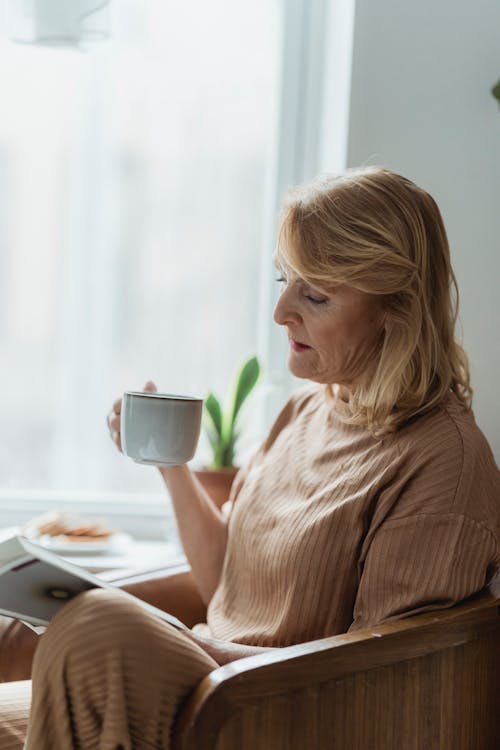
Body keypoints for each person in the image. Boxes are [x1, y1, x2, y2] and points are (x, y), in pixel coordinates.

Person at [0, 166, 498, 748]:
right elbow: (223, 585)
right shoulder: (305, 411)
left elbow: (383, 682)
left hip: (267, 714)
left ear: (398, 308)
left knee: (95, 624)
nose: (281, 310)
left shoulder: (442, 462)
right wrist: (172, 465)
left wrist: (197, 647)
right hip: (213, 676)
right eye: (284, 279)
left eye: (314, 293)